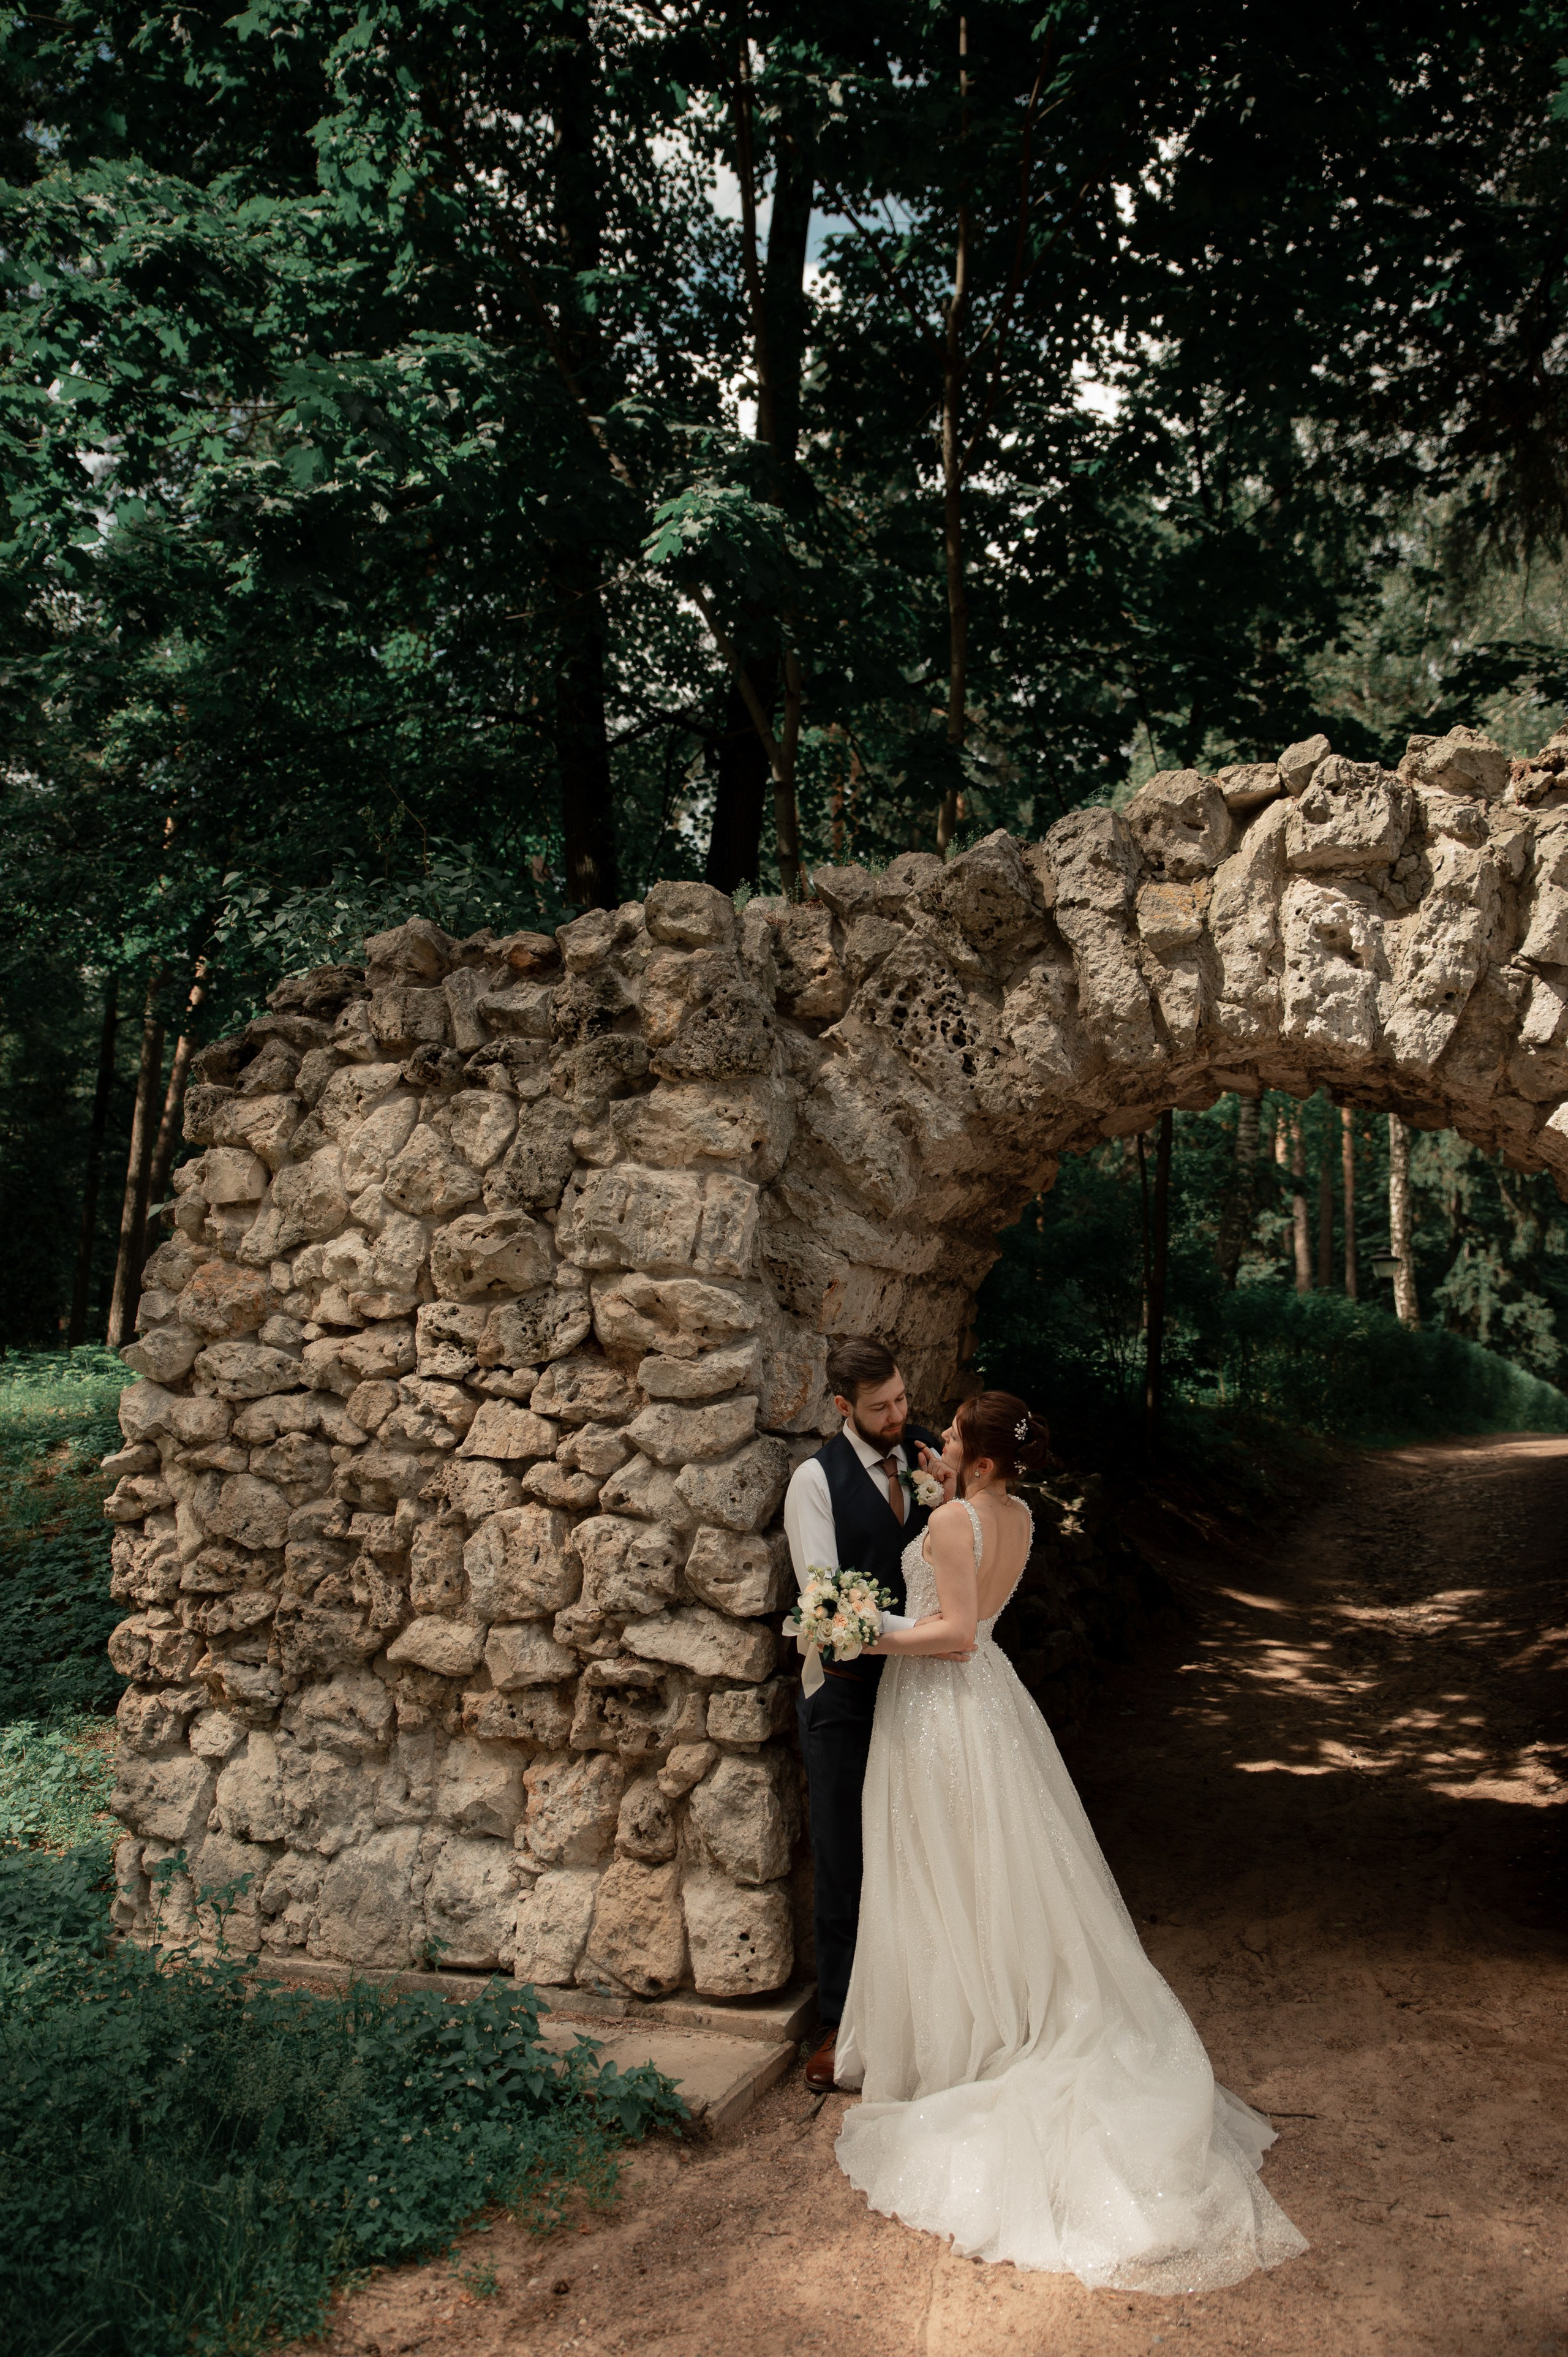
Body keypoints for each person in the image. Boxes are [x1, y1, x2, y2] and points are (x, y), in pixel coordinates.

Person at [832, 1389, 1308, 2294]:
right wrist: (949, 1492)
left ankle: (960, 2041)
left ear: (973, 1455)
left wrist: (867, 1633)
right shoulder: (1013, 1513)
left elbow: (958, 1633)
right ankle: (991, 2007)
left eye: (953, 1435)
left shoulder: (951, 1528)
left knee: (942, 1870)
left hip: (941, 1706)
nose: (937, 1439)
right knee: (995, 1869)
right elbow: (978, 1572)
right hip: (995, 1710)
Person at [782, 1336, 958, 2095]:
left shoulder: (925, 1455)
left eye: (903, 1400)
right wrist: (922, 1637)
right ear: (843, 1405)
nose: (899, 1416)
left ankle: (926, 2017)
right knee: (845, 1852)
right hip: (847, 1691)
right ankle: (839, 2023)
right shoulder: (813, 1481)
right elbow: (822, 1604)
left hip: (921, 1695)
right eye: (881, 1406)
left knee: (924, 1847)